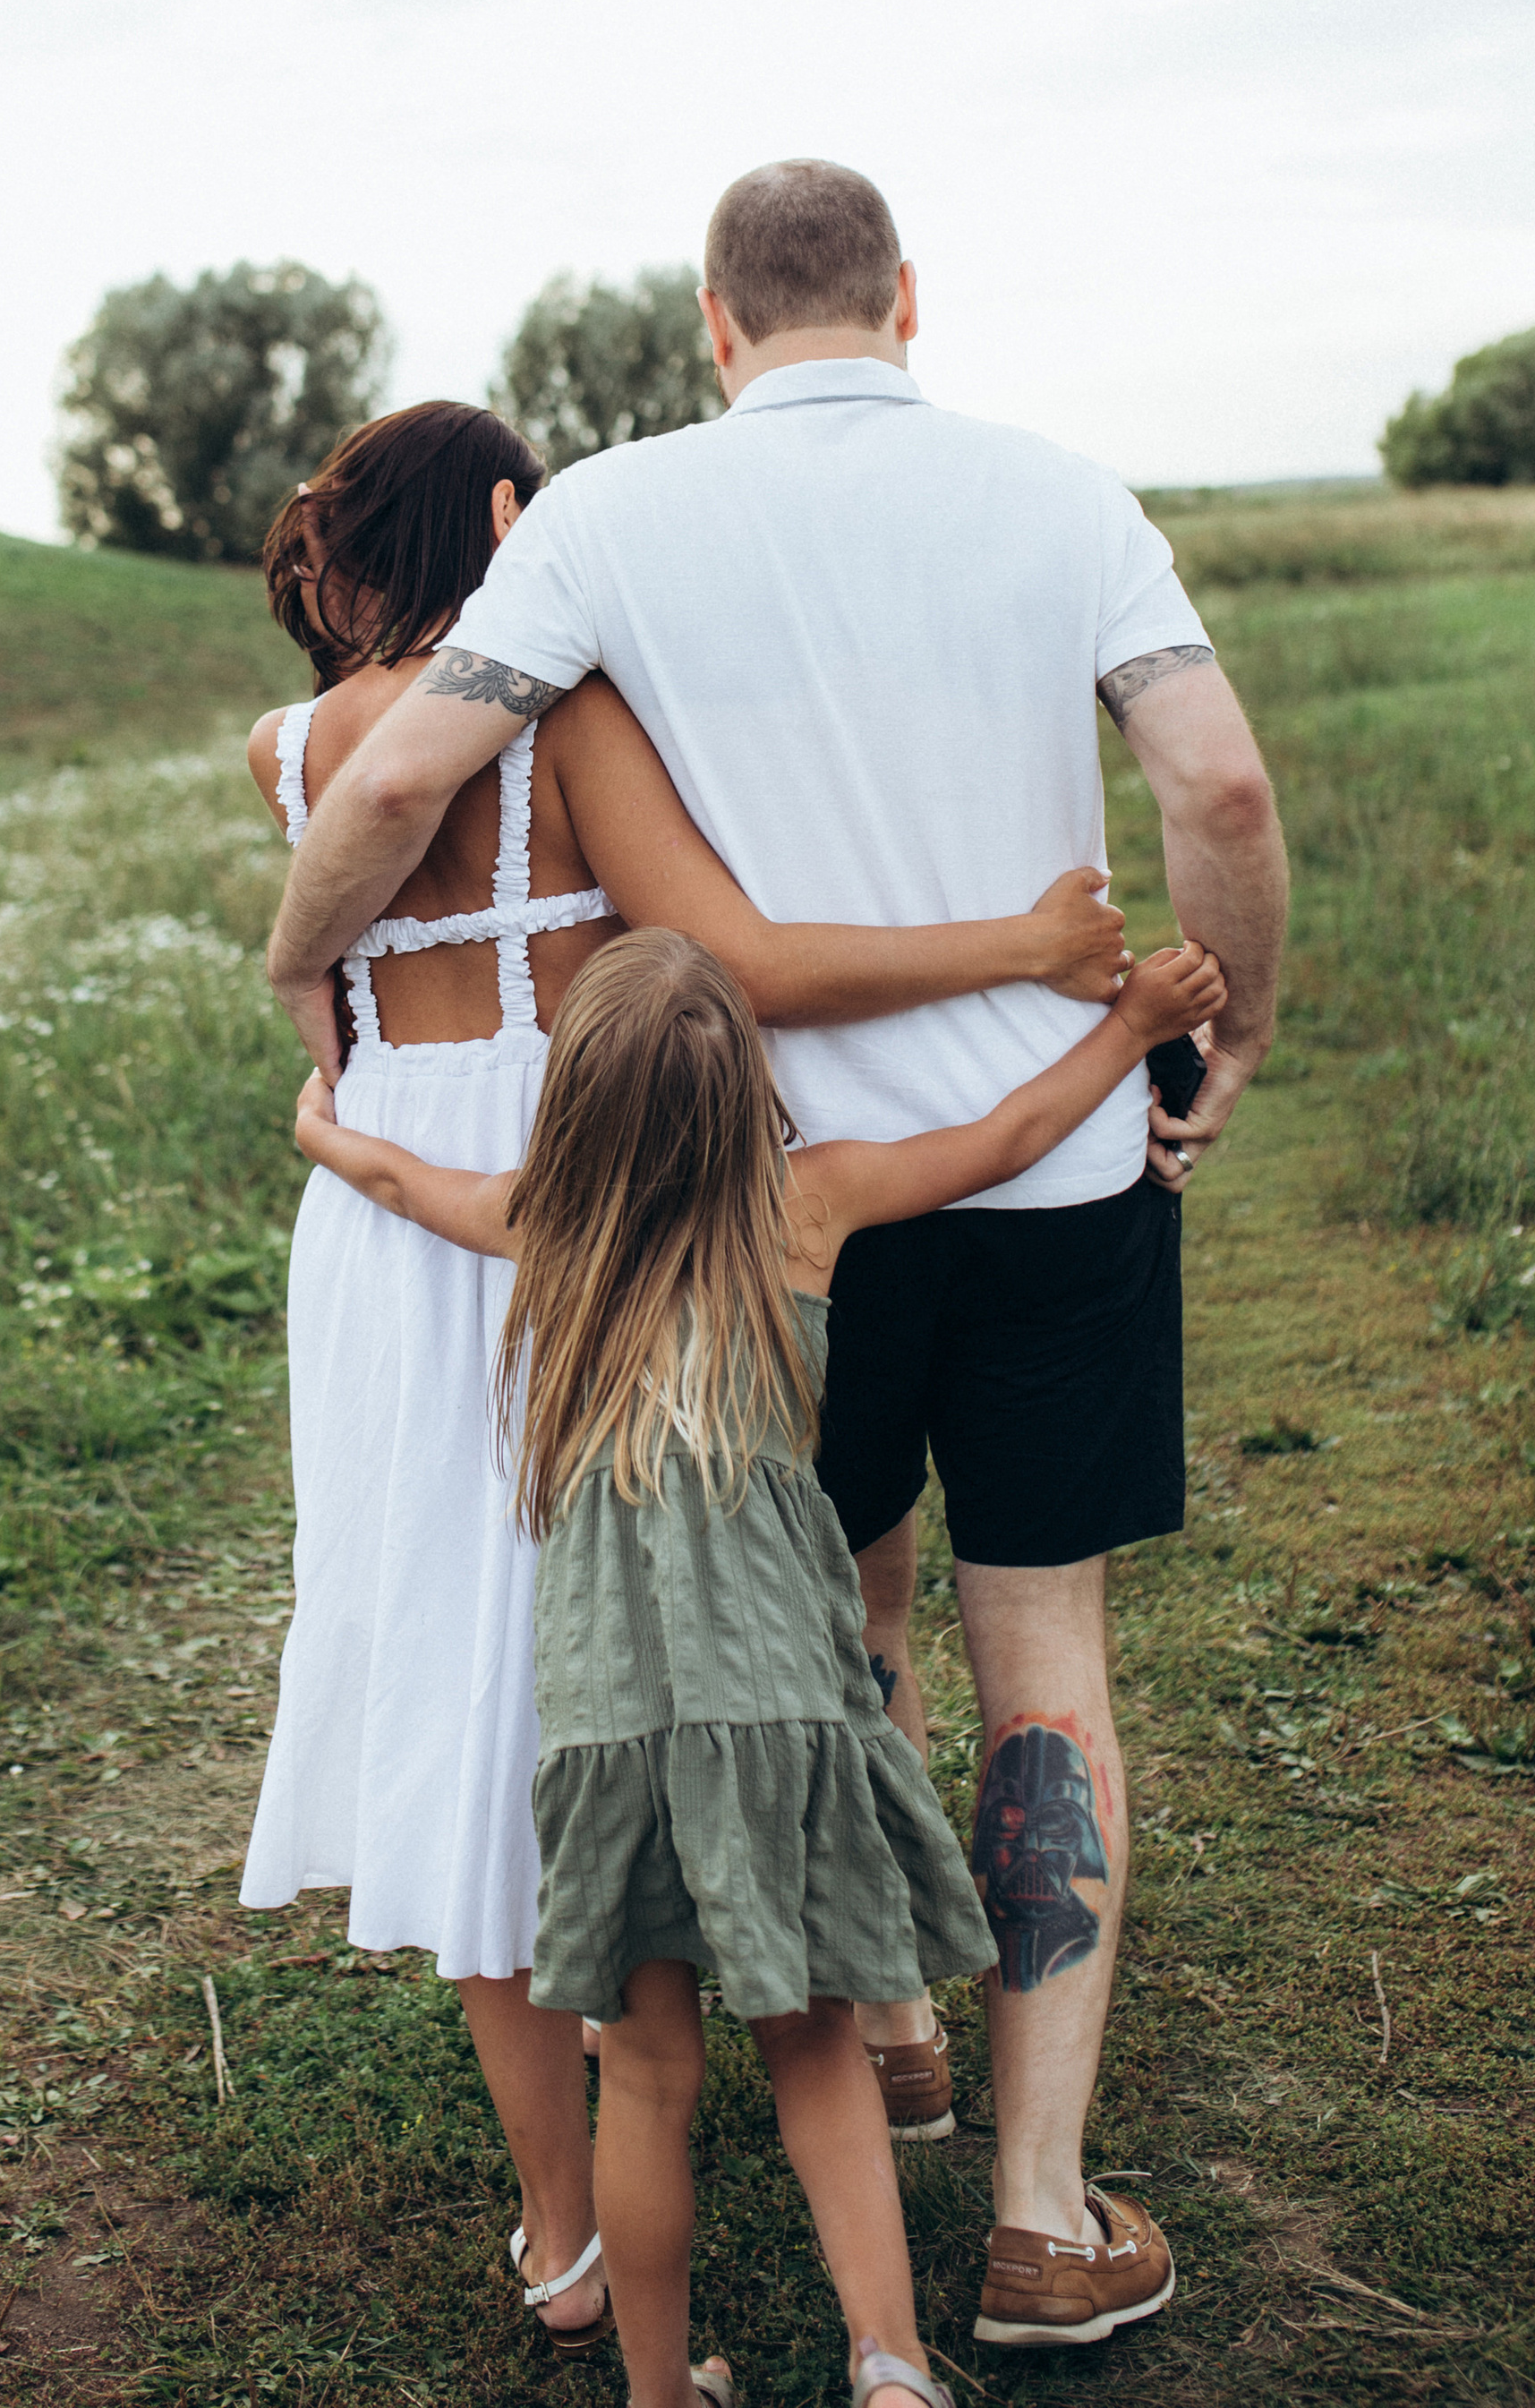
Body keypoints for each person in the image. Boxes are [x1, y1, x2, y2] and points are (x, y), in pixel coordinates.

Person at [264, 163, 1291, 2352]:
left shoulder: (609, 517)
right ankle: (1026, 2209)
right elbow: (1218, 789)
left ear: (711, 323)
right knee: (1046, 1660)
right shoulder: (1058, 496)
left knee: (822, 1598)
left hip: (756, 1206)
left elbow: (376, 801)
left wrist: (298, 979)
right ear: (907, 298)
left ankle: (881, 2014)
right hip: (1043, 1177)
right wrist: (1227, 1036)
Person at [293, 925, 1229, 2408]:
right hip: (785, 1704)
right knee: (815, 2049)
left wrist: (327, 1132)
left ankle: (664, 2395)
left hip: (614, 1725)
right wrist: (1132, 1032)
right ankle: (892, 2368)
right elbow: (1005, 1137)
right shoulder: (806, 1205)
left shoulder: (553, 1223)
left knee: (650, 2076)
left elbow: (411, 1184)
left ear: (576, 1101)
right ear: (750, 1093)